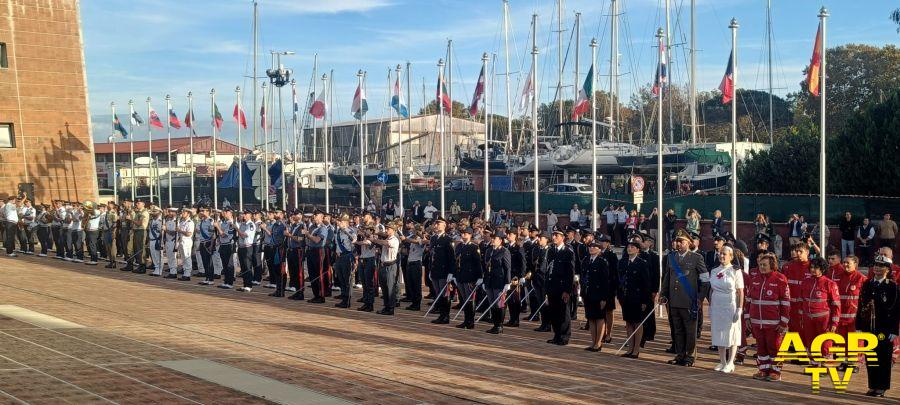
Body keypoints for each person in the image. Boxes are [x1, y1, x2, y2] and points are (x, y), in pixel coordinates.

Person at [661, 229, 707, 367]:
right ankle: (680, 354)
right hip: (674, 300)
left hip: (689, 300)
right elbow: (667, 278)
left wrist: (700, 298)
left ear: (689, 243)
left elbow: (705, 280)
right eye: (677, 241)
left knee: (690, 330)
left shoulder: (696, 258)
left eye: (682, 241)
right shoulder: (671, 257)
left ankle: (690, 356)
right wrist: (663, 294)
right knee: (678, 329)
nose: (679, 244)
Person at [856, 255, 900, 397]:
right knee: (871, 357)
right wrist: (858, 326)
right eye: (875, 264)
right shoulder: (867, 283)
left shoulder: (892, 286)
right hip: (869, 327)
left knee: (883, 358)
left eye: (881, 265)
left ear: (887, 269)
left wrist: (894, 330)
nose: (877, 268)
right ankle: (873, 385)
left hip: (884, 328)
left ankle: (882, 387)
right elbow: (861, 305)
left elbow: (895, 310)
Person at [745, 253, 790, 381]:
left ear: (772, 265)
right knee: (761, 347)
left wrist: (783, 322)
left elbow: (786, 303)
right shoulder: (755, 279)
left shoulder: (780, 279)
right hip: (756, 322)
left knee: (774, 347)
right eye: (760, 265)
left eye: (765, 265)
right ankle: (763, 370)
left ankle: (776, 372)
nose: (762, 267)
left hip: (774, 324)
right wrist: (747, 317)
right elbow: (749, 299)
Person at [708, 245, 744, 373]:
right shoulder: (714, 270)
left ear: (731, 256)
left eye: (725, 254)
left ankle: (730, 362)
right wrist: (710, 306)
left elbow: (740, 291)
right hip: (717, 303)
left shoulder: (735, 270)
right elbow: (711, 290)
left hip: (730, 303)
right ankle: (722, 361)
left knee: (732, 333)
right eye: (720, 254)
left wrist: (739, 309)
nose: (722, 256)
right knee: (718, 332)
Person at [799, 257, 841, 364]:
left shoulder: (830, 284)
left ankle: (826, 365)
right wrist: (801, 317)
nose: (813, 270)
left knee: (825, 342)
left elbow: (836, 305)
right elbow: (801, 301)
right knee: (811, 341)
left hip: (824, 319)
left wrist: (834, 323)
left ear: (822, 269)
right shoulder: (805, 282)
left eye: (816, 267)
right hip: (808, 318)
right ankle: (814, 364)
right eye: (811, 267)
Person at [618, 241, 651, 358]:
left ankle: (636, 349)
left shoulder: (642, 263)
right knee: (628, 322)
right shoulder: (622, 262)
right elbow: (620, 280)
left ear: (638, 250)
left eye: (632, 247)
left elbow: (646, 283)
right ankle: (630, 348)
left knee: (637, 322)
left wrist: (645, 301)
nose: (629, 248)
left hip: (637, 297)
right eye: (628, 246)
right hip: (626, 297)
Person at [834, 255, 866, 371]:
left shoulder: (861, 279)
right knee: (842, 340)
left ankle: (855, 363)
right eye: (844, 262)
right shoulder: (837, 278)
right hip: (841, 316)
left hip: (855, 317)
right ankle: (844, 361)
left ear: (855, 264)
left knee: (855, 341)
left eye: (848, 263)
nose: (845, 265)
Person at [546, 230, 575, 345]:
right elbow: (549, 270)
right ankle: (557, 335)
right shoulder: (551, 251)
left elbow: (570, 273)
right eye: (553, 235)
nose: (554, 237)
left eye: (556, 235)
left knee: (563, 313)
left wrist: (567, 290)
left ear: (562, 237)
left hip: (562, 287)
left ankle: (564, 336)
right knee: (553, 312)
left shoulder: (568, 252)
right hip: (552, 286)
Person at [581, 239, 609, 352]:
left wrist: (603, 297)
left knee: (599, 318)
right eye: (590, 246)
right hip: (588, 293)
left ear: (599, 249)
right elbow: (584, 278)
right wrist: (583, 293)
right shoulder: (586, 261)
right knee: (591, 318)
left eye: (594, 247)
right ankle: (593, 341)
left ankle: (598, 343)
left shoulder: (602, 262)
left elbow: (605, 281)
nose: (591, 248)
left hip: (598, 294)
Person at [453, 227, 483, 329]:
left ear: (470, 235)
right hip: (460, 276)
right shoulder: (459, 246)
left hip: (470, 277)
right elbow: (456, 262)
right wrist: (454, 275)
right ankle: (466, 320)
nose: (463, 235)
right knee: (464, 299)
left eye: (466, 233)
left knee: (470, 300)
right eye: (462, 233)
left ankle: (470, 321)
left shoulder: (474, 247)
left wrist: (479, 277)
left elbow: (477, 263)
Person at [428, 217, 455, 324]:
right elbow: (431, 255)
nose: (436, 226)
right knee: (438, 293)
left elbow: (451, 258)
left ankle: (445, 316)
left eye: (439, 224)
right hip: (435, 270)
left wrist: (451, 273)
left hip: (444, 271)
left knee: (445, 294)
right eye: (436, 224)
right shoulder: (433, 238)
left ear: (444, 225)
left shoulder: (448, 239)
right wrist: (430, 269)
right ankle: (441, 315)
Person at [483, 231, 511, 334]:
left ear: (501, 240)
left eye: (495, 238)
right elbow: (485, 266)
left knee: (499, 304)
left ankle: (499, 325)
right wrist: (484, 280)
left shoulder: (504, 251)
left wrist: (507, 282)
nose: (493, 240)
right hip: (489, 281)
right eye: (493, 238)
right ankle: (495, 324)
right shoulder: (489, 250)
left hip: (499, 281)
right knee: (492, 303)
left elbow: (507, 267)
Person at [372, 223, 400, 315]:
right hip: (383, 265)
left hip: (390, 265)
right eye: (387, 228)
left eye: (389, 228)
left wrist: (375, 240)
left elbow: (386, 243)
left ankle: (391, 308)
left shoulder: (394, 239)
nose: (387, 230)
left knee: (390, 288)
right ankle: (386, 306)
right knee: (384, 287)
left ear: (393, 230)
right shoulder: (387, 238)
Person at [782, 243, 811, 333]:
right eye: (797, 251)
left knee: (805, 330)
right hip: (790, 306)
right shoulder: (788, 266)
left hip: (806, 306)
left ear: (807, 252)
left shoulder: (812, 267)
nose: (798, 253)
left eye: (800, 251)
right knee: (792, 330)